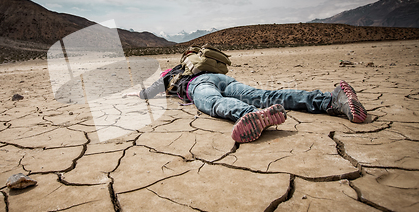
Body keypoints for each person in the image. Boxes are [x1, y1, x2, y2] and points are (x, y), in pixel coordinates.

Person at [126, 63, 367, 143]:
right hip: (222, 78)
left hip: (198, 86)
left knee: (212, 102)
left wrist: (136, 95)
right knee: (265, 94)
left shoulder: (170, 74)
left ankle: (253, 115)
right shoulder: (195, 65)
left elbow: (150, 92)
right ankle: (332, 100)